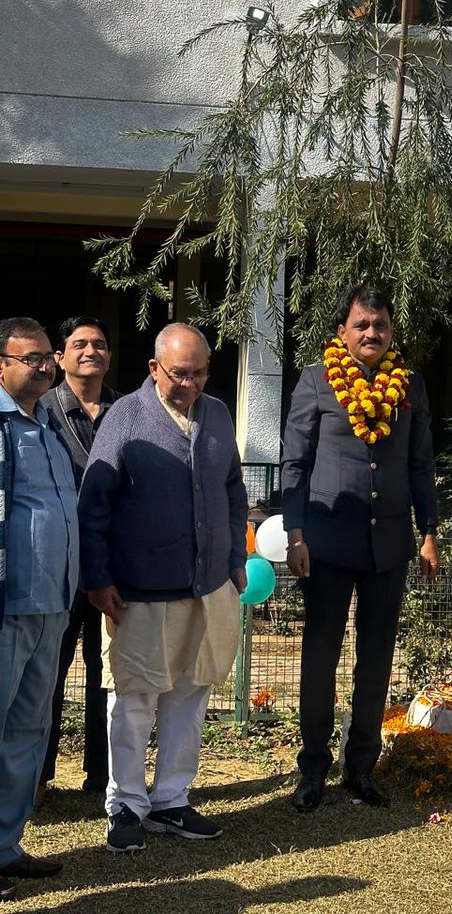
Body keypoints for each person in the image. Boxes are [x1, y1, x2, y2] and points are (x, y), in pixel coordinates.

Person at [79, 323, 248, 854]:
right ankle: (126, 803)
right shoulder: (125, 417)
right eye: (179, 374)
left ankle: (172, 799)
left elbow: (234, 489)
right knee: (133, 699)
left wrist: (235, 558)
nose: (190, 384)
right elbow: (93, 504)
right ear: (155, 368)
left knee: (190, 695)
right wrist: (97, 577)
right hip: (139, 591)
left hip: (207, 587)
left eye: (199, 373)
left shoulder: (217, 413)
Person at [282, 284, 439, 813]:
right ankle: (312, 769)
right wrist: (296, 535)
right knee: (319, 659)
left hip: (388, 545)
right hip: (326, 544)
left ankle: (362, 768)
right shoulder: (316, 379)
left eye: (380, 325)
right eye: (362, 325)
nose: (372, 333)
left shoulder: (410, 383)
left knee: (375, 661)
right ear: (343, 331)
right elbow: (295, 464)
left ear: (391, 331)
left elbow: (420, 463)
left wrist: (429, 531)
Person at [0, 316, 78, 900]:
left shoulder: (49, 424)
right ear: (0, 365)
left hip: (53, 603)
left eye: (49, 356)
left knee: (30, 729)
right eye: (32, 358)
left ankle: (6, 846)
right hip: (8, 604)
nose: (46, 366)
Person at [38, 317, 121, 805]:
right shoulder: (42, 411)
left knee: (107, 672)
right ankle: (39, 774)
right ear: (60, 357)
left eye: (100, 344)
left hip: (112, 564)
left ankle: (102, 776)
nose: (92, 351)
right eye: (80, 344)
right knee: (48, 671)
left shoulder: (128, 410)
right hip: (58, 564)